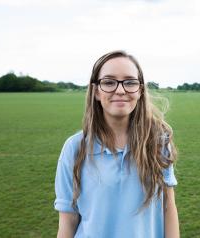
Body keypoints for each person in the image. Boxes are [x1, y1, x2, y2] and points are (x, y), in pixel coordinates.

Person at [54, 50, 179, 238]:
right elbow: (68, 220)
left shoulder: (158, 142)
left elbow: (168, 207)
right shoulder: (74, 148)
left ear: (140, 90)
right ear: (96, 91)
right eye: (109, 82)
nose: (120, 90)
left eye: (130, 82)